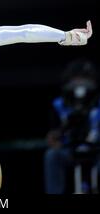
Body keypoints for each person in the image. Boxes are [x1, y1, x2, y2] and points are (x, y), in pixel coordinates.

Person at [44, 59, 100, 193]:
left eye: (84, 79)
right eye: (76, 79)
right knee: (52, 156)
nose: (80, 83)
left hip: (97, 150)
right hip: (69, 150)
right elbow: (53, 135)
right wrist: (55, 138)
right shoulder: (58, 105)